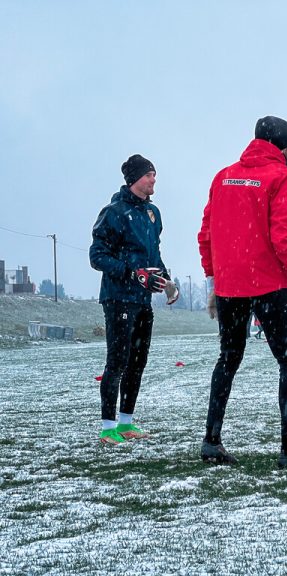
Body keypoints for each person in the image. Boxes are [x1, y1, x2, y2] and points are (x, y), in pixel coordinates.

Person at [198, 115, 287, 468]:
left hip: (229, 288)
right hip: (267, 286)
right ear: (285, 147)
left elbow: (206, 233)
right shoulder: (284, 177)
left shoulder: (223, 177)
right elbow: (283, 237)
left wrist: (212, 281)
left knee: (228, 358)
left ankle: (211, 442)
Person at [89, 154, 178, 445]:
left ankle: (126, 423)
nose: (154, 180)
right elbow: (97, 256)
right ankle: (107, 428)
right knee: (117, 361)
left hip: (143, 301)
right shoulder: (113, 212)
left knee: (138, 361)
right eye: (149, 175)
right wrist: (132, 274)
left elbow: (154, 255)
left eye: (155, 174)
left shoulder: (153, 214)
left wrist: (166, 281)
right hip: (118, 298)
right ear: (135, 179)